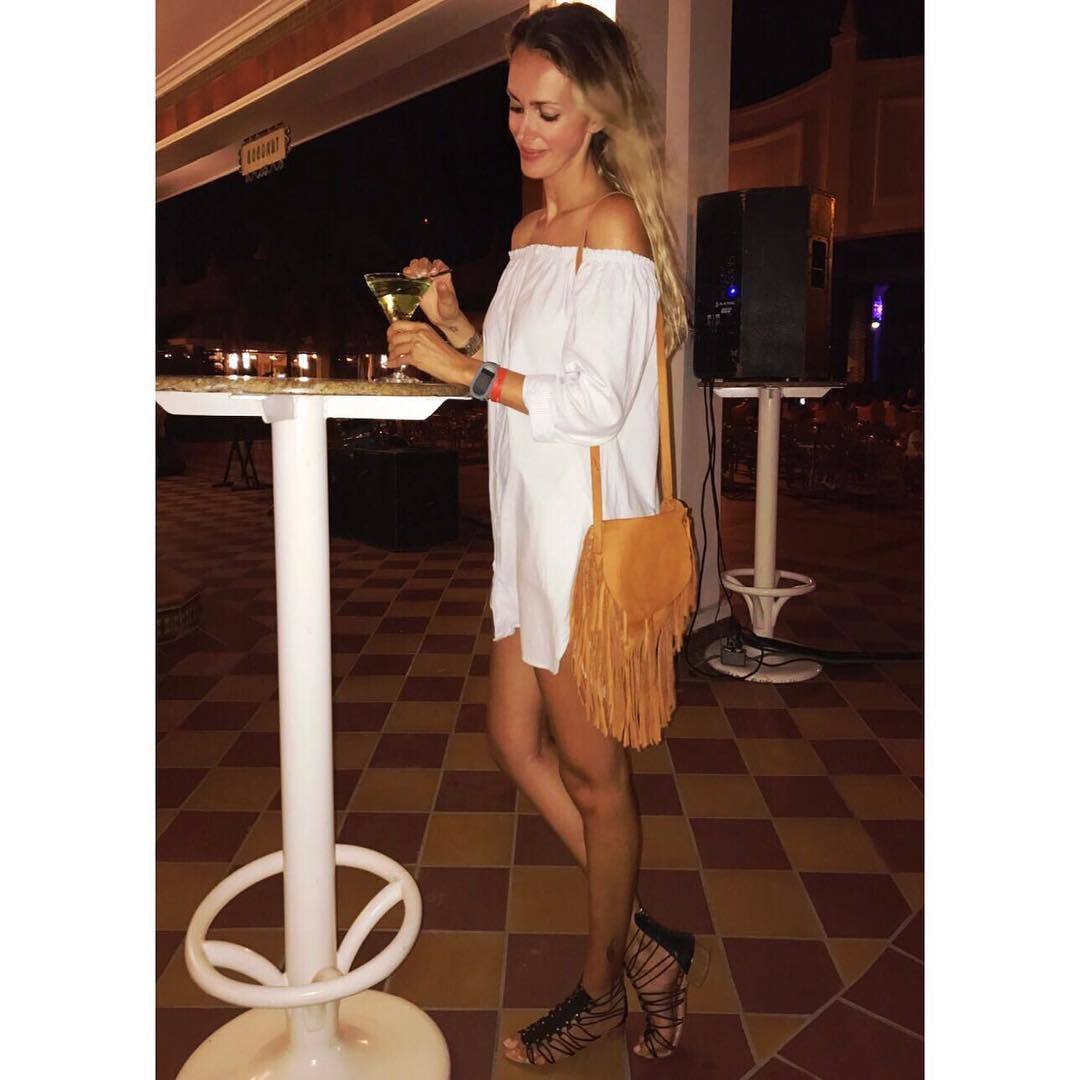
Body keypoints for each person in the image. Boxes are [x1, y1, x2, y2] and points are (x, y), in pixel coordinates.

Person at [383, 3, 704, 1066]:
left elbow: (595, 400)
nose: (524, 128)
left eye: (547, 111)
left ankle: (603, 987)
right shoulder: (528, 240)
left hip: (586, 557)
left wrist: (464, 367)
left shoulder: (613, 230)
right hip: (527, 540)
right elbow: (518, 376)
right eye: (515, 105)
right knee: (514, 743)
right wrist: (457, 323)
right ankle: (647, 941)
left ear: (596, 113)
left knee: (600, 784)